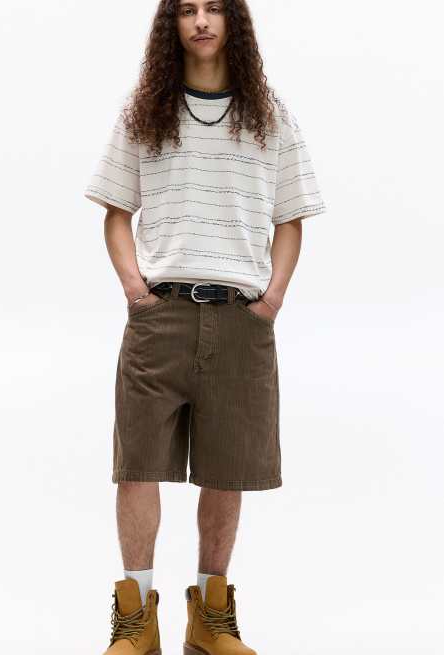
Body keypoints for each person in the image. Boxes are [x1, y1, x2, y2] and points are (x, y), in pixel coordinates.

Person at [84, 1, 326, 653]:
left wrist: (272, 299)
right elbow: (115, 211)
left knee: (227, 469)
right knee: (136, 466)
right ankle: (136, 621)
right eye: (187, 9)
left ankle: (209, 619)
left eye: (214, 7)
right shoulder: (144, 111)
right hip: (158, 315)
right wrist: (134, 288)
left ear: (233, 22)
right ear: (172, 24)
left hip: (241, 319)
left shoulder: (270, 115)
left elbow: (290, 217)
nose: (200, 20)